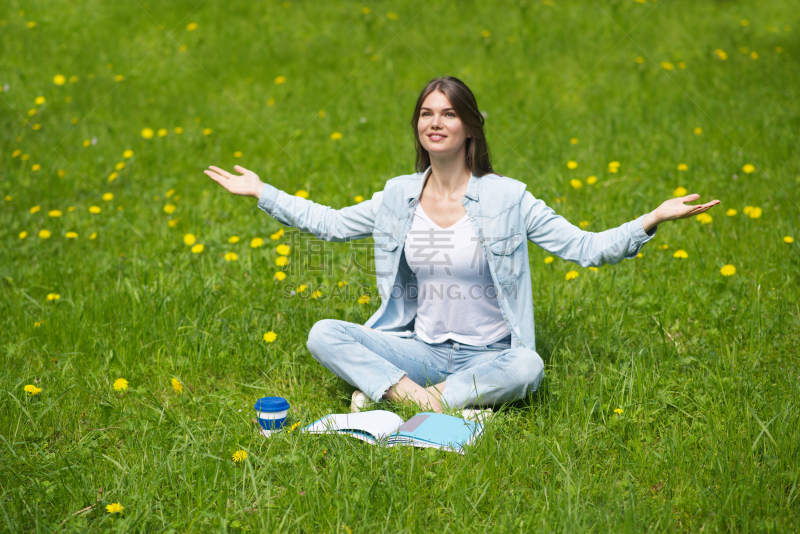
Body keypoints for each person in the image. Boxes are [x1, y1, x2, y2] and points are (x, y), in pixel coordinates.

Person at [205, 76, 719, 418]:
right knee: (324, 333)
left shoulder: (507, 197)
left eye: (448, 114)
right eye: (426, 113)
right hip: (423, 350)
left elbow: (584, 247)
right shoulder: (398, 196)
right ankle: (431, 400)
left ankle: (393, 395)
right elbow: (333, 224)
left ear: (469, 126)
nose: (435, 122)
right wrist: (263, 193)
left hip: (489, 356)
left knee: (529, 368)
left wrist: (651, 220)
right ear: (418, 126)